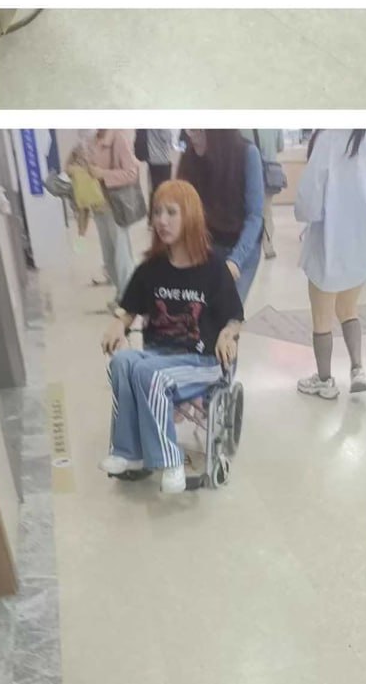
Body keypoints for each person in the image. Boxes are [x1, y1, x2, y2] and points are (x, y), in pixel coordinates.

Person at [99, 179, 244, 493]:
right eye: (157, 212)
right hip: (159, 354)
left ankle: (169, 460)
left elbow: (235, 316)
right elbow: (128, 309)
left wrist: (227, 334)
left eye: (171, 212)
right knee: (122, 363)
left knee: (147, 373)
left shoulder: (213, 268)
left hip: (201, 360)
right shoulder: (151, 268)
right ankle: (129, 452)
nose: (161, 220)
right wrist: (117, 324)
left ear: (190, 215)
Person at [294, 129, 366, 399]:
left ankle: (325, 381)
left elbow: (310, 194)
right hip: (364, 239)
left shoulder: (331, 134)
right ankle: (357, 369)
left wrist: (303, 214)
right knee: (348, 308)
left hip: (328, 239)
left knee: (322, 317)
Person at [177, 130, 264, 304]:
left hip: (241, 247)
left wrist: (235, 260)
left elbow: (255, 216)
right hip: (206, 247)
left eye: (196, 130)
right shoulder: (189, 156)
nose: (190, 135)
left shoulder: (247, 154)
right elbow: (182, 209)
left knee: (228, 310)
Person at [81, 129, 138, 306]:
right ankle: (121, 293)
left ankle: (128, 298)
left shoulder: (117, 138)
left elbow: (132, 173)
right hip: (99, 205)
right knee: (108, 255)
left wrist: (103, 174)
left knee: (121, 254)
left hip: (115, 205)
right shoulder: (91, 140)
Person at [240, 129, 284, 259]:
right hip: (269, 173)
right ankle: (268, 247)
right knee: (267, 211)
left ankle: (247, 245)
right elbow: (280, 146)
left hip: (247, 171)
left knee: (248, 211)